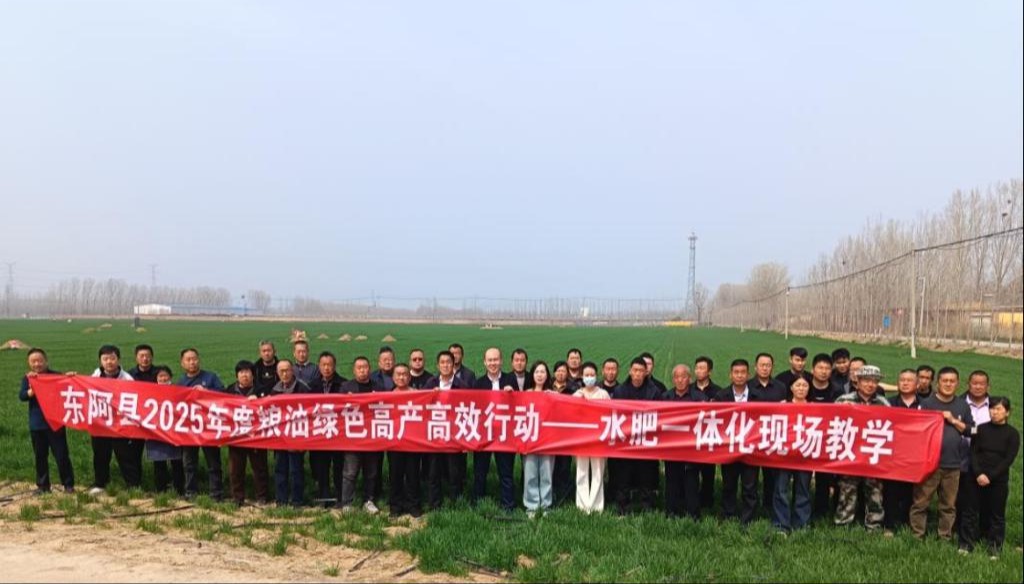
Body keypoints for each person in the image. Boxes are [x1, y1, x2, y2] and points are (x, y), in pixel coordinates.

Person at [910, 366, 974, 542]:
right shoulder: (926, 404)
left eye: (952, 381)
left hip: (953, 464)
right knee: (921, 502)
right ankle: (917, 535)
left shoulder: (962, 405)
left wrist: (953, 420)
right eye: (945, 381)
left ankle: (944, 536)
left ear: (957, 384)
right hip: (930, 463)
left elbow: (972, 430)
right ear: (937, 382)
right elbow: (916, 430)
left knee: (948, 504)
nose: (948, 384)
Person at [833, 365, 890, 530]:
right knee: (847, 489)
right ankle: (843, 523)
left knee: (875, 490)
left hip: (873, 454)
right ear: (857, 382)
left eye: (874, 381)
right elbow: (831, 423)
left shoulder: (883, 403)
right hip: (850, 453)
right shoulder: (844, 400)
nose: (870, 385)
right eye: (866, 381)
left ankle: (874, 524)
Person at [611, 357, 663, 514]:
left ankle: (647, 506)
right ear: (630, 371)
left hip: (646, 440)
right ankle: (622, 506)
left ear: (646, 372)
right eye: (635, 370)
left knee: (646, 475)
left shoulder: (654, 391)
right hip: (626, 440)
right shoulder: (620, 390)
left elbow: (660, 414)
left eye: (641, 371)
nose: (638, 374)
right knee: (623, 475)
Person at [20, 348, 75, 495]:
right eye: (33, 361)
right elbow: (22, 396)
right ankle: (43, 486)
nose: (37, 364)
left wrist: (71, 377)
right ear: (29, 363)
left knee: (61, 455)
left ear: (46, 361)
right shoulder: (28, 378)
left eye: (40, 360)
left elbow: (68, 387)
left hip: (55, 423)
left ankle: (68, 485)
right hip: (37, 425)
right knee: (40, 457)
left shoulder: (56, 376)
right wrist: (31, 391)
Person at [715, 359, 763, 524]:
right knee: (729, 484)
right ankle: (728, 515)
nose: (740, 376)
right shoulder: (722, 396)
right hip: (729, 448)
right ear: (730, 375)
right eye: (736, 372)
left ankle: (748, 519)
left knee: (750, 485)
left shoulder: (758, 397)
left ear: (748, 375)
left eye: (743, 372)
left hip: (751, 448)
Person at [971, 397, 1020, 558]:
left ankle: (995, 546)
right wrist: (978, 473)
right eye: (992, 409)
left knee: (997, 513)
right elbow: (973, 452)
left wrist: (990, 476)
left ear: (1007, 412)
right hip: (978, 476)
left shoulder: (1012, 434)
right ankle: (977, 539)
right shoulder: (981, 429)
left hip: (998, 479)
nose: (994, 412)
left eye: (998, 409)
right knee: (978, 510)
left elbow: (1009, 459)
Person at [470, 347, 518, 511]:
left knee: (506, 471)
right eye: (490, 360)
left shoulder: (510, 380)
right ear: (484, 362)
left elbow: (520, 405)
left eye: (496, 359)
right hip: (484, 433)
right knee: (480, 470)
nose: (493, 363)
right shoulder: (478, 383)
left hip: (504, 434)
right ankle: (478, 503)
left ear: (501, 361)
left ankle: (508, 504)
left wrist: (513, 394)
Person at [89, 344, 140, 494]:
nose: (109, 362)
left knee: (125, 455)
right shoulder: (94, 377)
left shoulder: (127, 379)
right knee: (100, 455)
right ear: (100, 361)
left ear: (118, 359)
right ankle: (100, 483)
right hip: (101, 424)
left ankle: (133, 485)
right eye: (105, 359)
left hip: (120, 425)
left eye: (112, 358)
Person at [177, 347, 226, 500]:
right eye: (188, 360)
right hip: (189, 428)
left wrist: (206, 391)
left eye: (194, 359)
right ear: (182, 363)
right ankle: (190, 492)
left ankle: (216, 493)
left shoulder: (211, 377)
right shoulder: (181, 382)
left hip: (209, 427)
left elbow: (223, 395)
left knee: (213, 463)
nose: (192, 362)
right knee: (189, 463)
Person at [661, 364, 706, 519]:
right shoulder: (665, 397)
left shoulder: (699, 398)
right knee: (672, 480)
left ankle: (693, 514)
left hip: (691, 448)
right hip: (671, 447)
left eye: (683, 376)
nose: (680, 380)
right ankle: (671, 512)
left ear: (690, 378)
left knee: (691, 481)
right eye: (677, 377)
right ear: (673, 379)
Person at [424, 350, 467, 509]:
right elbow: (422, 406)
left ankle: (456, 503)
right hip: (435, 434)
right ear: (438, 365)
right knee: (433, 472)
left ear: (453, 364)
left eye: (448, 362)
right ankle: (435, 504)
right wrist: (431, 396)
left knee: (454, 472)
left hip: (454, 435)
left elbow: (468, 410)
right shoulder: (431, 383)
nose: (445, 365)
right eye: (442, 362)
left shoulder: (462, 386)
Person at [956, 370, 992, 552]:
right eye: (974, 383)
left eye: (981, 384)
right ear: (968, 384)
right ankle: (959, 531)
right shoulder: (959, 403)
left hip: (986, 460)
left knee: (986, 499)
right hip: (962, 456)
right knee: (962, 498)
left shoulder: (994, 406)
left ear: (988, 386)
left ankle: (984, 532)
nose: (978, 387)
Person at [225, 360, 270, 506]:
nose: (244, 375)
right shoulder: (229, 391)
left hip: (256, 435)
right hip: (237, 435)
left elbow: (270, 408)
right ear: (237, 375)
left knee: (260, 467)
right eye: (241, 372)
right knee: (236, 469)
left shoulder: (262, 390)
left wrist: (260, 401)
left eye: (247, 372)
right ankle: (237, 498)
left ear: (253, 374)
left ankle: (262, 496)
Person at [773, 377, 814, 534]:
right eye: (798, 385)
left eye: (805, 385)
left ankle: (801, 524)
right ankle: (781, 524)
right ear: (791, 388)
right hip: (785, 454)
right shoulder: (783, 406)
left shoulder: (815, 408)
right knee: (781, 489)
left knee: (803, 489)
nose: (801, 388)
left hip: (805, 455)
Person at [883, 368, 922, 533]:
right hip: (892, 453)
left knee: (911, 491)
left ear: (917, 384)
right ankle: (889, 525)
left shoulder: (924, 405)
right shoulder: (888, 403)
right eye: (902, 380)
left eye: (909, 380)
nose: (905, 383)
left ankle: (907, 522)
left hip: (915, 454)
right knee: (890, 490)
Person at [339, 356, 380, 513]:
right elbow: (338, 409)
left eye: (365, 367)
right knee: (350, 472)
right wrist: (346, 400)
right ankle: (347, 503)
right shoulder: (346, 387)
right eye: (359, 367)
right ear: (354, 370)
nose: (362, 370)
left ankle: (368, 500)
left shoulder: (378, 387)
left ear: (370, 369)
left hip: (372, 436)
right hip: (353, 437)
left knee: (371, 472)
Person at [307, 351, 346, 507]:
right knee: (321, 466)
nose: (326, 368)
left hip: (338, 432)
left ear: (334, 366)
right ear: (319, 366)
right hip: (319, 432)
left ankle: (340, 495)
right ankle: (323, 495)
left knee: (339, 466)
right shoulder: (311, 386)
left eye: (329, 365)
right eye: (323, 365)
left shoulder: (344, 384)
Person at [270, 359, 311, 507]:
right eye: (281, 371)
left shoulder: (303, 388)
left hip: (296, 436)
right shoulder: (274, 391)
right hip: (280, 437)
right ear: (277, 373)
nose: (284, 374)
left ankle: (297, 500)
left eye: (287, 370)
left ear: (292, 370)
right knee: (280, 469)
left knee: (296, 470)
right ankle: (281, 500)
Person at [750, 352, 786, 512]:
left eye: (768, 365)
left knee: (771, 475)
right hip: (752, 437)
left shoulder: (780, 387)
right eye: (762, 365)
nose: (765, 368)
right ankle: (751, 506)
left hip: (773, 437)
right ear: (755, 367)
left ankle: (769, 506)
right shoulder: (748, 386)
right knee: (751, 476)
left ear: (772, 367)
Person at [388, 363, 424, 518]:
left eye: (404, 374)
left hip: (413, 442)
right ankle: (395, 506)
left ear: (409, 377)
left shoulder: (418, 395)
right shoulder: (387, 395)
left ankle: (414, 505)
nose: (401, 377)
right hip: (394, 442)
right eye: (398, 374)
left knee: (413, 475)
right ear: (393, 377)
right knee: (395, 475)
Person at [573, 362, 610, 514]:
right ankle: (582, 505)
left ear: (597, 375)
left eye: (592, 375)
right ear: (582, 376)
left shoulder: (603, 394)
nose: (589, 377)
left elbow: (609, 414)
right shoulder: (576, 395)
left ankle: (596, 505)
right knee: (581, 470)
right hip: (581, 438)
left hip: (599, 438)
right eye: (586, 375)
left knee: (598, 471)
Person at [808, 353, 840, 516]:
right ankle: (803, 508)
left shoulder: (836, 391)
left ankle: (822, 510)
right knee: (803, 476)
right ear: (812, 370)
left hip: (828, 439)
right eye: (820, 367)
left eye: (827, 368)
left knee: (824, 476)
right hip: (807, 437)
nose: (823, 371)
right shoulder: (805, 387)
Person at [523, 361, 555, 517]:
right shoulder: (525, 394)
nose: (540, 375)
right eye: (537, 372)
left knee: (546, 473)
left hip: (548, 440)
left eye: (543, 372)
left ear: (547, 375)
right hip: (530, 439)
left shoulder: (553, 395)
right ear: (532, 375)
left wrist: (555, 397)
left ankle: (546, 505)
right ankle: (531, 506)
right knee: (530, 474)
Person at [148, 365, 185, 495]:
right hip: (156, 432)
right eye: (160, 376)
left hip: (174, 431)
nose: (163, 378)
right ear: (156, 378)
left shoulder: (178, 390)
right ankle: (161, 490)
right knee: (159, 462)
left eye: (165, 376)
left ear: (170, 377)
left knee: (177, 461)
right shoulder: (148, 391)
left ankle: (179, 489)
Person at [690, 356, 720, 509]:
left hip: (709, 438)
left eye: (702, 368)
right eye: (697, 368)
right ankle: (692, 501)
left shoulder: (718, 392)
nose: (699, 371)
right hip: (691, 438)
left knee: (708, 473)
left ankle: (708, 502)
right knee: (691, 472)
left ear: (710, 371)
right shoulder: (688, 389)